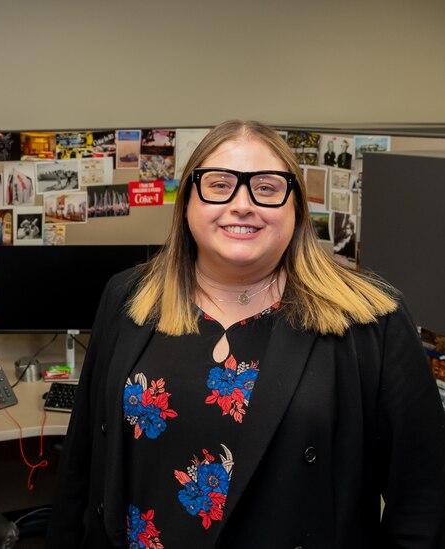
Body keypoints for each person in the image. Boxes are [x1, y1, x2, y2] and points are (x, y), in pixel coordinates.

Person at [46, 120, 445, 548]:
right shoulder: (129, 297)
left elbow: (424, 504)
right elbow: (81, 464)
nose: (242, 204)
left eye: (268, 188)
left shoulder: (370, 321)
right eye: (218, 185)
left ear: (296, 207)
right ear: (187, 202)